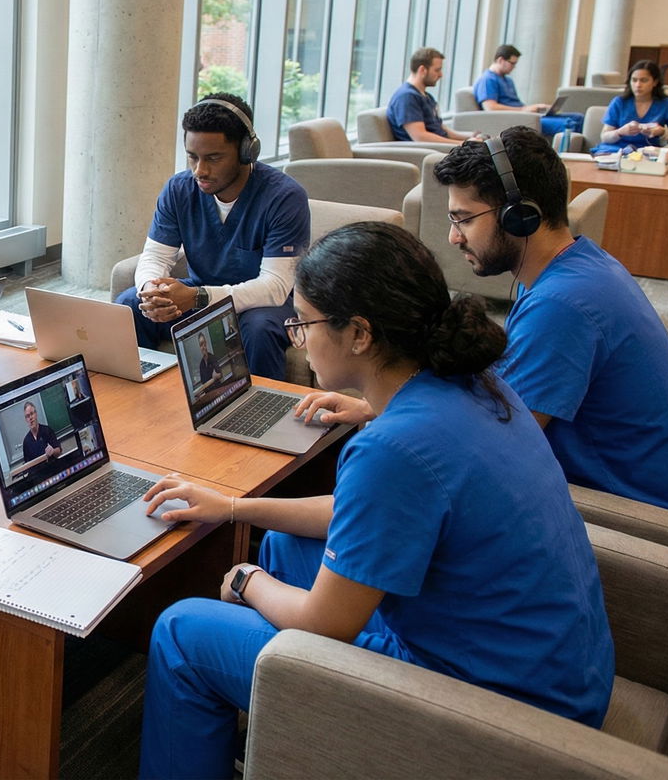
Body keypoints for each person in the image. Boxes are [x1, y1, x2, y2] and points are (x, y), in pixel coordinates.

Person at [138, 221, 614, 780]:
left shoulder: (393, 447)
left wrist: (244, 579)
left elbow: (324, 623)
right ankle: (287, 730)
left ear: (359, 334)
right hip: (556, 670)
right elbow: (363, 517)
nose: (298, 337)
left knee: (181, 630)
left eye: (304, 323)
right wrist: (235, 509)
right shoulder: (475, 384)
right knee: (288, 545)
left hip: (495, 710)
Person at [432, 127, 668, 516]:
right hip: (627, 487)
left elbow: (496, 441)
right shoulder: (576, 266)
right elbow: (501, 391)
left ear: (520, 217)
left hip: (633, 514)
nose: (453, 237)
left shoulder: (562, 305)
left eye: (464, 220)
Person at [115, 93, 309, 380]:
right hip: (200, 292)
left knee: (259, 330)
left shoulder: (284, 197)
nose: (200, 170)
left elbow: (275, 287)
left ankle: (258, 417)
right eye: (192, 157)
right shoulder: (179, 189)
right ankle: (140, 403)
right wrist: (151, 291)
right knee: (130, 304)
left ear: (247, 151)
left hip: (263, 305)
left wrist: (197, 297)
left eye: (213, 158)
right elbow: (156, 256)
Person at [473, 43, 584, 137]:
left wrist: (535, 108)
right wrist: (523, 110)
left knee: (578, 118)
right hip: (516, 118)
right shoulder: (488, 79)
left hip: (524, 114)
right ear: (501, 60)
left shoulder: (508, 80)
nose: (514, 67)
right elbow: (490, 107)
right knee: (568, 124)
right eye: (512, 63)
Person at [386, 47, 483, 144]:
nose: (440, 75)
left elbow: (441, 130)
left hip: (442, 146)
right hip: (430, 150)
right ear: (422, 70)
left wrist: (471, 136)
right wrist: (464, 144)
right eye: (437, 70)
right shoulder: (406, 97)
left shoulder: (426, 96)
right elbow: (420, 137)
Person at [590, 60, 668, 155]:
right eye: (634, 80)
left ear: (655, 82)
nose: (638, 85)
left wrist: (663, 132)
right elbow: (604, 136)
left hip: (646, 152)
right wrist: (620, 132)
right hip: (615, 150)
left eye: (644, 80)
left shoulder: (665, 104)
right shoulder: (619, 102)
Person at [20, 401, 62, 480]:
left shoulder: (47, 430)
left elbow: (59, 450)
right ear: (26, 419)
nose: (30, 418)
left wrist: (53, 451)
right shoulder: (26, 441)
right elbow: (27, 466)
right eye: (27, 416)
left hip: (54, 473)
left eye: (32, 414)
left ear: (36, 414)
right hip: (39, 479)